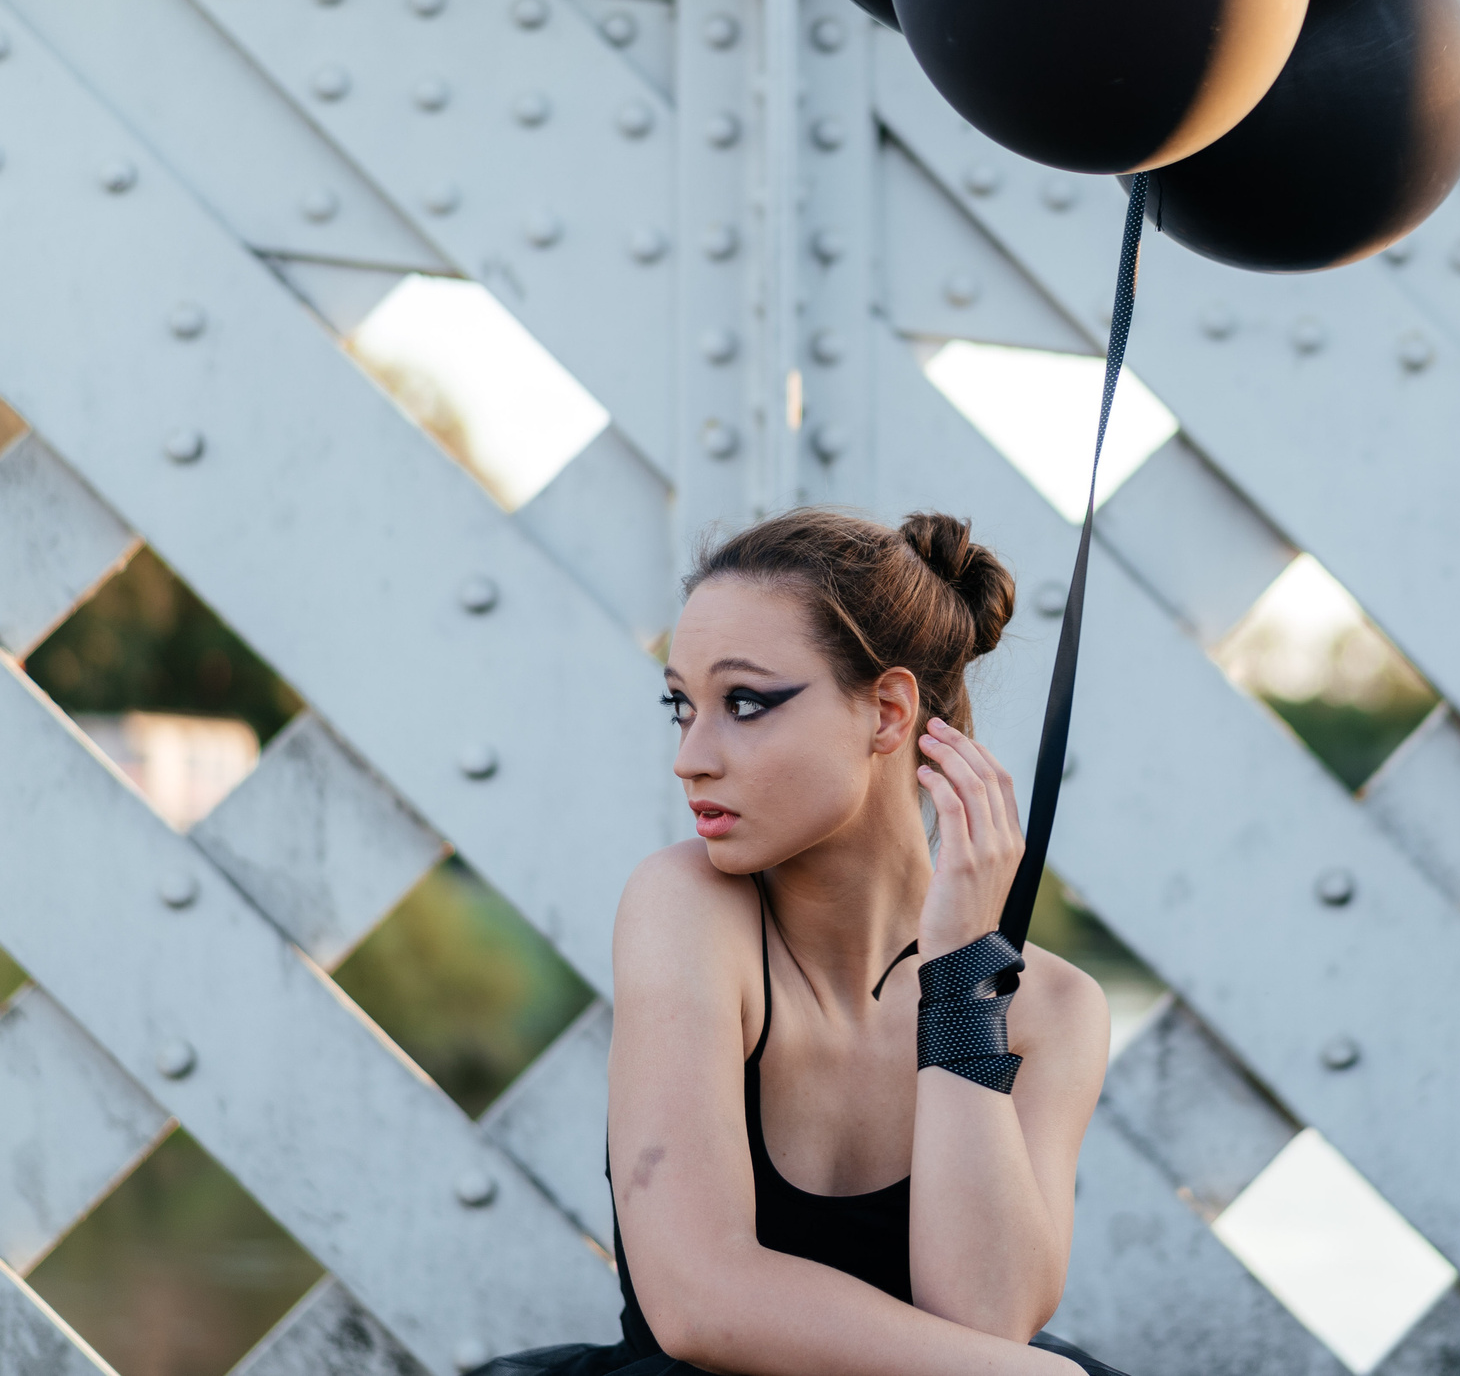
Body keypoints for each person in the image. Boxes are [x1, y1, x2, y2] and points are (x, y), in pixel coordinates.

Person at [479, 509, 1128, 1376]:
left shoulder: (1053, 1010)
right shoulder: (689, 909)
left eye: (744, 703)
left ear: (888, 713)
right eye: (683, 706)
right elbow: (699, 1298)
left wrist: (964, 975)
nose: (691, 756)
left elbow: (985, 1314)